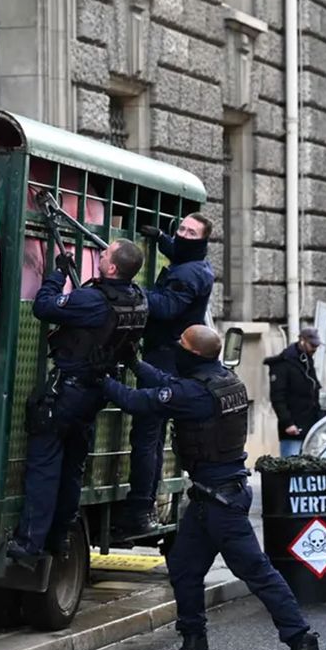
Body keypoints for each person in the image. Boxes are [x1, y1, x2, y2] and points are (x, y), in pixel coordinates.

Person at [101, 324, 324, 650]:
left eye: (182, 345)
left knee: (258, 573)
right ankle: (194, 648)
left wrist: (97, 377)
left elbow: (137, 401)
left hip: (222, 501)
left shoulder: (196, 393)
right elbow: (168, 386)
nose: (176, 348)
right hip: (210, 497)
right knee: (184, 568)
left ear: (192, 355)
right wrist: (135, 363)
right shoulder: (224, 380)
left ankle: (303, 646)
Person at [6, 239, 148, 564]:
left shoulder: (93, 301)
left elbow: (44, 307)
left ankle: (29, 545)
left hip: (68, 392)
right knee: (72, 469)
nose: (100, 254)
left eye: (105, 253)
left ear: (112, 267)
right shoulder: (138, 300)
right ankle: (59, 538)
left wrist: (56, 276)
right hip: (95, 392)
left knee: (44, 468)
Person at [115, 213, 215, 537]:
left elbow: (167, 306)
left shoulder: (189, 275)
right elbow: (180, 252)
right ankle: (144, 506)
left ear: (200, 240)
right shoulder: (194, 262)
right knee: (151, 438)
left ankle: (140, 508)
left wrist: (131, 290)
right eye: (181, 228)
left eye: (190, 232)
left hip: (165, 357)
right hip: (167, 355)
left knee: (146, 436)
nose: (183, 235)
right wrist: (160, 237)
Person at [266, 327, 326, 457]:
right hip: (293, 427)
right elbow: (277, 397)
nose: (314, 349)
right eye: (312, 345)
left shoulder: (306, 360)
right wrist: (287, 423)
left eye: (316, 346)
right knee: (291, 467)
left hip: (310, 424)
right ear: (302, 341)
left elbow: (313, 391)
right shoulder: (283, 363)